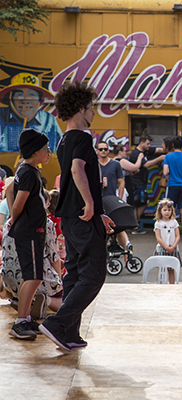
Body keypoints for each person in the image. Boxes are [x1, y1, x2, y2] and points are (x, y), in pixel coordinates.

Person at [40, 80, 115, 352]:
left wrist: (99, 212)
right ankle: (59, 324)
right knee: (93, 277)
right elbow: (76, 170)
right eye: (92, 108)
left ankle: (69, 332)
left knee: (74, 274)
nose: (94, 114)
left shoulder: (62, 140)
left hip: (70, 219)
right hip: (83, 216)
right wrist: (91, 205)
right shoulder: (83, 138)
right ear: (81, 108)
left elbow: (72, 179)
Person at [5, 129, 50, 340]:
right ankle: (21, 321)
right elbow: (18, 202)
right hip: (30, 231)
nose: (49, 152)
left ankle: (25, 318)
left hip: (32, 231)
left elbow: (10, 189)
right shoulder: (29, 172)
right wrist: (14, 218)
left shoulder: (27, 170)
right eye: (46, 148)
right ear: (35, 151)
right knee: (33, 276)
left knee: (29, 276)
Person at [0, 73, 62, 153]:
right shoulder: (1, 117)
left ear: (40, 101)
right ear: (11, 99)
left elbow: (63, 150)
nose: (25, 100)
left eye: (31, 95)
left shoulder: (49, 120)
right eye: (19, 94)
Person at [128, 133, 165, 231]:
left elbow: (158, 150)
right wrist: (159, 158)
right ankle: (135, 223)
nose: (149, 146)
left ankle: (136, 222)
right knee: (139, 202)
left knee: (142, 201)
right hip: (136, 181)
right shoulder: (136, 154)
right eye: (148, 144)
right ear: (142, 143)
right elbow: (145, 164)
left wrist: (169, 149)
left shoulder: (146, 151)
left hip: (143, 181)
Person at [163, 136, 182, 240]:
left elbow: (165, 172)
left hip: (172, 185)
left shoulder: (168, 156)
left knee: (170, 209)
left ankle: (171, 233)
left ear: (172, 145)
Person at [153, 198, 182, 284]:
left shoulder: (174, 222)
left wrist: (173, 246)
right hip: (162, 248)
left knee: (171, 269)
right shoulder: (158, 223)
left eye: (169, 210)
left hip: (173, 248)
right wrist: (166, 247)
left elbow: (177, 236)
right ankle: (159, 285)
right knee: (161, 268)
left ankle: (172, 285)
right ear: (160, 211)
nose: (167, 212)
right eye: (165, 210)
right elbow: (158, 238)